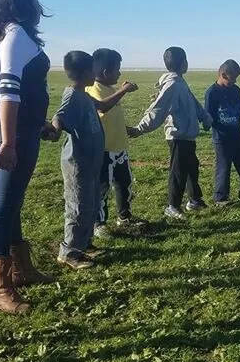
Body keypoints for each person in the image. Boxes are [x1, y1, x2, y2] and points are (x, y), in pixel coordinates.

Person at [0, 0, 53, 313]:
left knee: (13, 200)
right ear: (22, 4)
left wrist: (37, 122)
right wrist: (9, 143)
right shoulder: (14, 36)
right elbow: (8, 91)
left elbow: (25, 90)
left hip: (25, 129)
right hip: (15, 134)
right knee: (3, 205)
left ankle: (21, 268)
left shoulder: (13, 35)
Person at [52, 52, 132, 268]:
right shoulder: (72, 96)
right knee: (78, 206)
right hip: (78, 163)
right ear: (88, 72)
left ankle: (83, 244)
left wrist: (123, 91)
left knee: (90, 204)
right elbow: (60, 116)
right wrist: (54, 130)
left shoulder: (84, 96)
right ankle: (69, 252)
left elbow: (103, 106)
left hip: (90, 162)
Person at [127, 46, 212, 219]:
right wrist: (139, 129)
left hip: (187, 136)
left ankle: (194, 200)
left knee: (191, 168)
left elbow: (194, 103)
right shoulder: (173, 85)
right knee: (178, 172)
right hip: (178, 136)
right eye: (186, 61)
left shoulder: (180, 82)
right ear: (183, 64)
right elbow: (158, 109)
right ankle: (172, 206)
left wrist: (205, 117)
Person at [88, 48, 140, 237]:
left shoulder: (110, 89)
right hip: (105, 150)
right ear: (105, 73)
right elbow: (104, 107)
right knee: (103, 188)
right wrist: (123, 90)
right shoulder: (93, 90)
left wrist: (126, 129)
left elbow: (113, 116)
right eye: (117, 69)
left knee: (124, 184)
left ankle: (124, 216)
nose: (119, 73)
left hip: (120, 148)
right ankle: (98, 223)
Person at [204, 59, 240, 205]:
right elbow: (208, 116)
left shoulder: (235, 90)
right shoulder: (212, 93)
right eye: (232, 79)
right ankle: (220, 198)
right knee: (223, 168)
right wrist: (205, 124)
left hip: (238, 136)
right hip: (222, 138)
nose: (234, 82)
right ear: (223, 75)